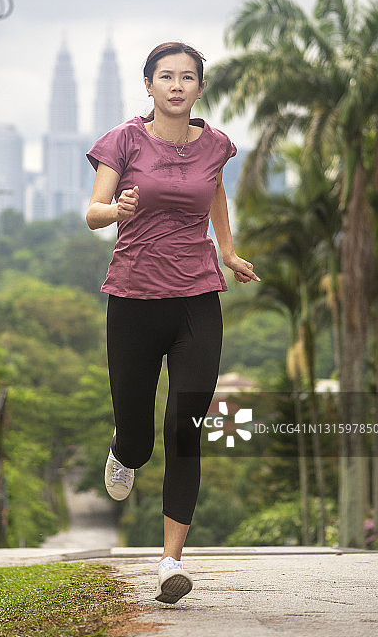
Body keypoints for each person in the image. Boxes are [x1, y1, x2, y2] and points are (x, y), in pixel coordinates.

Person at [86, 41, 259, 604]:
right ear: (149, 85)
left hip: (196, 298)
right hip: (133, 300)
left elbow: (214, 196)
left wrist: (228, 253)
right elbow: (93, 212)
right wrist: (117, 210)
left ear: (200, 89)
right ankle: (124, 452)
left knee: (185, 428)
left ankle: (170, 562)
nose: (178, 86)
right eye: (166, 77)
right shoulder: (124, 141)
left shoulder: (215, 145)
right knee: (138, 435)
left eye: (188, 77)